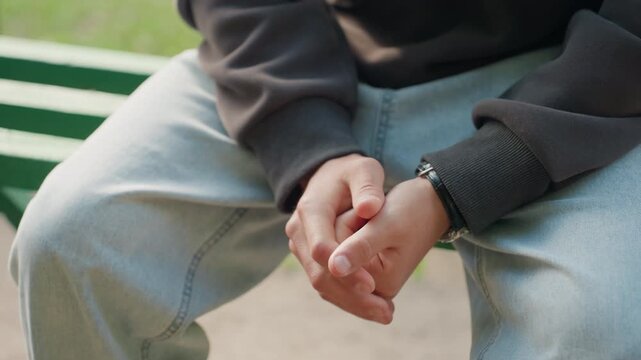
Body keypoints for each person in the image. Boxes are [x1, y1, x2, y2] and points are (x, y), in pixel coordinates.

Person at [9, 0, 641, 358]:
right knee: (71, 233)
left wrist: (466, 183)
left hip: (570, 84)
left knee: (603, 323)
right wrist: (306, 142)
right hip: (293, 56)